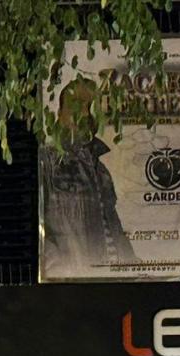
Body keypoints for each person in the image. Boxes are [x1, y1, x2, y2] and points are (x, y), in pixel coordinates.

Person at [41, 76, 137, 274]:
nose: (83, 113)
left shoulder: (100, 170)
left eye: (90, 106)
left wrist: (134, 269)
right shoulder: (46, 161)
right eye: (75, 105)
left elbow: (113, 229)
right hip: (75, 287)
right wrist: (60, 272)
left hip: (113, 282)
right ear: (59, 113)